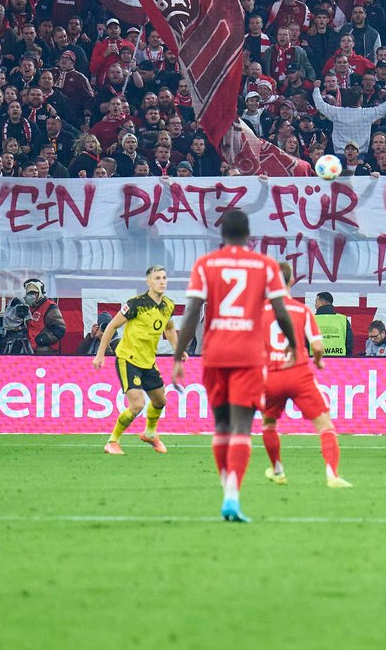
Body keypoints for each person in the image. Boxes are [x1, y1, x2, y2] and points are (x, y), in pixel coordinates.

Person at [172, 209, 300, 523]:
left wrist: (177, 356)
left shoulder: (205, 264)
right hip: (249, 355)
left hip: (214, 352)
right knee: (242, 428)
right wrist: (296, 346)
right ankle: (232, 495)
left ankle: (225, 488)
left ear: (222, 234)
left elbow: (191, 313)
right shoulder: (266, 265)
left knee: (221, 427)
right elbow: (282, 313)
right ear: (248, 235)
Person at [260, 263, 352, 488]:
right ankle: (332, 475)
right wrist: (319, 361)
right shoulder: (303, 311)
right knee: (324, 425)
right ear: (292, 282)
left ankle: (278, 471)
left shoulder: (258, 311)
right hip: (299, 373)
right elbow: (317, 346)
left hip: (272, 375)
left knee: (269, 424)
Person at [90, 265, 181, 454]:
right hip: (128, 359)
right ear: (148, 282)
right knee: (137, 404)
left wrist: (178, 348)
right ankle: (112, 441)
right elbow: (112, 326)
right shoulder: (135, 304)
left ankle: (150, 433)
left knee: (160, 401)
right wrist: (100, 354)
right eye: (157, 278)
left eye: (164, 278)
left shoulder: (168, 306)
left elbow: (169, 328)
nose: (161, 281)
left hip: (148, 361)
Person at [312, 292, 350, 357]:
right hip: (339, 362)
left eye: (316, 302)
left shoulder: (311, 319)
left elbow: (304, 342)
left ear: (322, 303)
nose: (315, 305)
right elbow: (349, 343)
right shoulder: (342, 319)